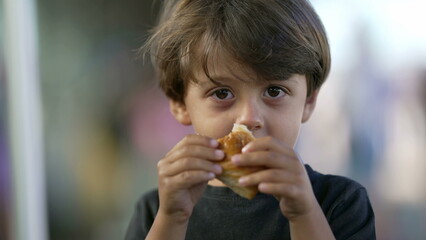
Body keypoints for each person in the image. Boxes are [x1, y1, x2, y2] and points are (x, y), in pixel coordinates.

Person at [125, 0, 376, 239]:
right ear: (180, 103)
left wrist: (304, 214)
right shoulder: (157, 211)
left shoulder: (340, 203)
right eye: (222, 93)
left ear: (308, 102)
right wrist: (172, 218)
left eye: (274, 91)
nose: (248, 119)